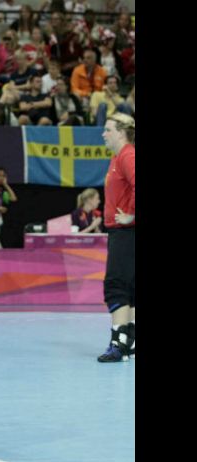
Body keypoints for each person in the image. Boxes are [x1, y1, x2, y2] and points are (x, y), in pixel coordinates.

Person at [97, 113, 135, 363]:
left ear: (121, 132)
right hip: (122, 232)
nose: (104, 133)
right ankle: (129, 340)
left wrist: (131, 215)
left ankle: (118, 344)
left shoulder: (127, 155)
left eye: (108, 129)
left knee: (116, 286)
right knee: (129, 288)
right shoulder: (118, 157)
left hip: (126, 232)